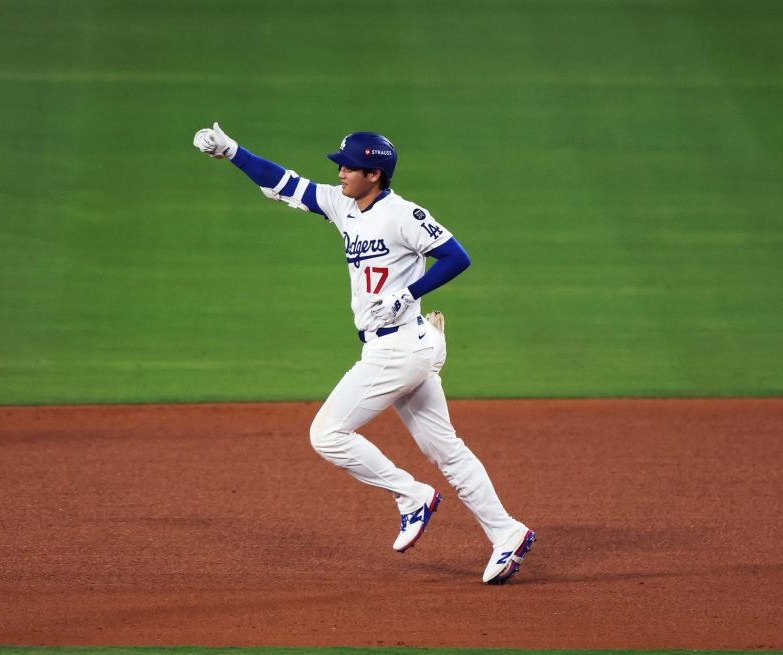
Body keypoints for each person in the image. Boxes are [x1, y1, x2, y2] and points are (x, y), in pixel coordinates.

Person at [193, 123, 535, 584]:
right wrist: (231, 151)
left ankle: (411, 496)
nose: (339, 172)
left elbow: (456, 256)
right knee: (447, 451)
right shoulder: (343, 205)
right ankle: (506, 532)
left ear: (374, 174)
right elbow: (283, 182)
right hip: (404, 346)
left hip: (395, 349)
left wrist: (406, 294)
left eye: (348, 167)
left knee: (327, 435)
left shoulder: (404, 215)